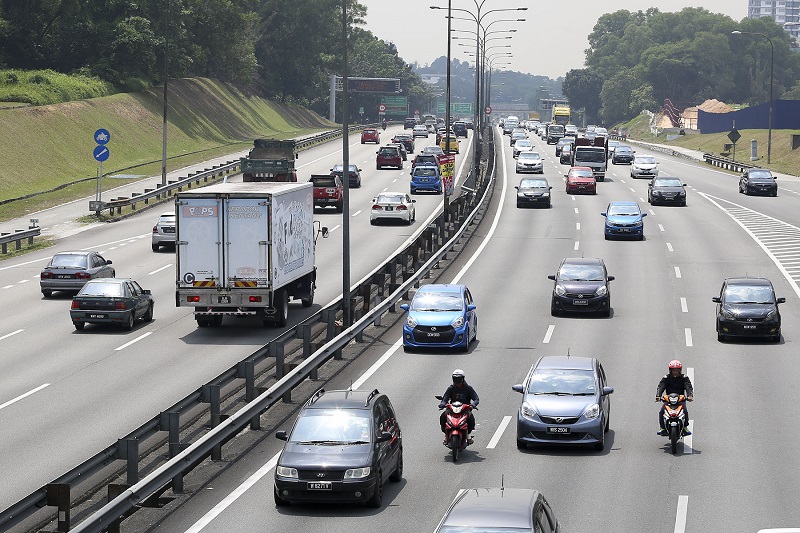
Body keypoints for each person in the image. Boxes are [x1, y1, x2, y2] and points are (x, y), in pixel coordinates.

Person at [439, 369, 479, 445]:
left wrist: (473, 405)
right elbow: (445, 398)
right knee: (443, 417)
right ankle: (446, 435)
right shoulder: (451, 388)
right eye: (455, 379)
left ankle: (468, 435)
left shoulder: (468, 388)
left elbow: (476, 399)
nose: (457, 381)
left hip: (465, 409)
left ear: (463, 379)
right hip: (452, 408)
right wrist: (442, 404)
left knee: (471, 419)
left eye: (458, 379)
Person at [656, 359, 693, 436]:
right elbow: (661, 386)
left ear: (680, 370)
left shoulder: (684, 378)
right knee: (661, 412)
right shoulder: (666, 378)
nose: (675, 372)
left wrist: (690, 395)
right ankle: (662, 428)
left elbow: (688, 387)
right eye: (673, 370)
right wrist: (658, 396)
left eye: (677, 370)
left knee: (685, 412)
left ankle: (685, 427)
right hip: (668, 399)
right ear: (670, 370)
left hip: (680, 399)